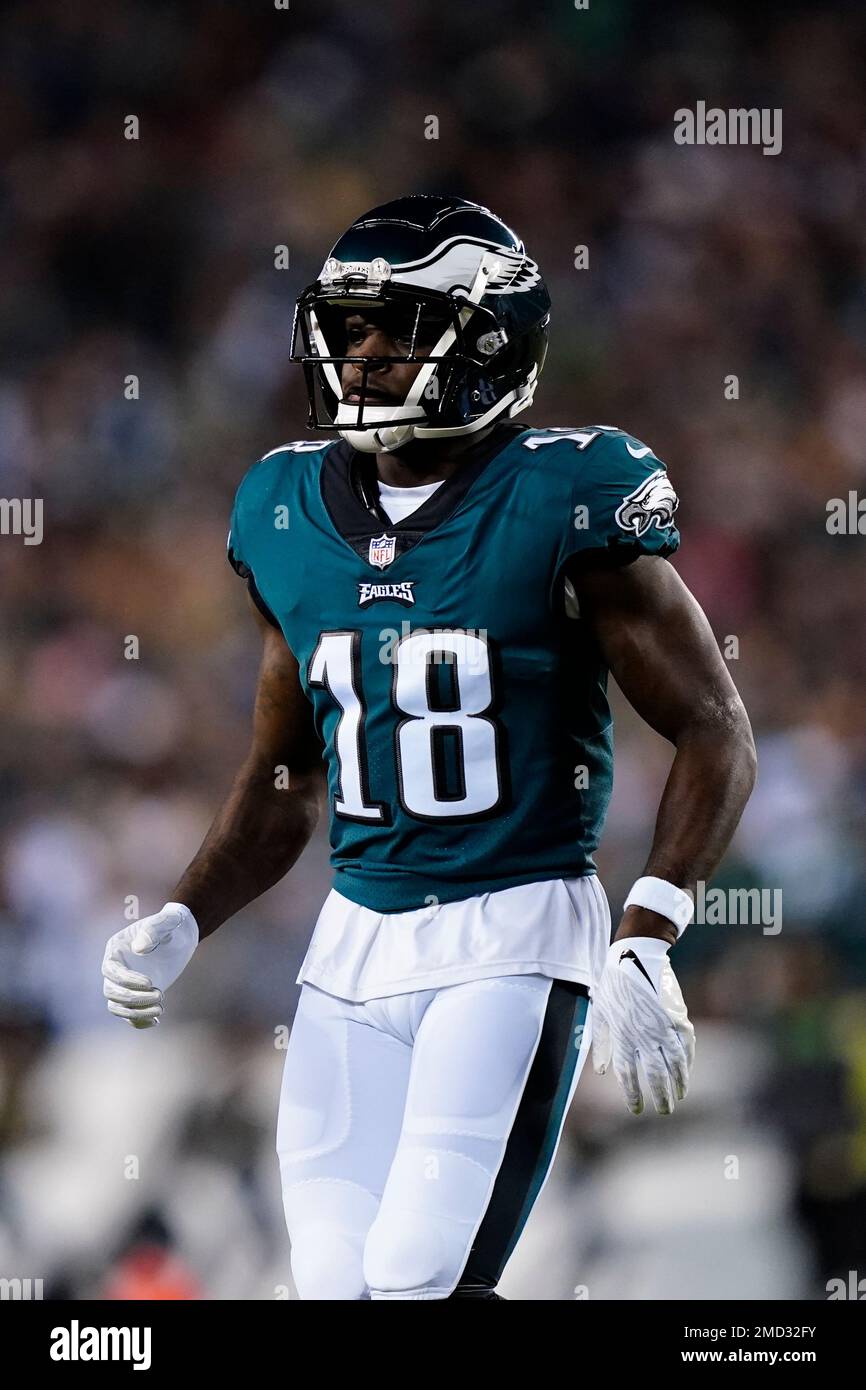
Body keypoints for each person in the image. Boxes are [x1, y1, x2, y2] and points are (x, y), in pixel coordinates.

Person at [102, 195, 757, 1300]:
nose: (358, 353)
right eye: (347, 326)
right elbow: (287, 775)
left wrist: (650, 925)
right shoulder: (280, 507)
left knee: (418, 1280)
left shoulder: (566, 491)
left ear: (489, 342)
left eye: (393, 326)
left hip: (511, 932)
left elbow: (712, 726)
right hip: (351, 945)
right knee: (328, 1284)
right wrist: (184, 914)